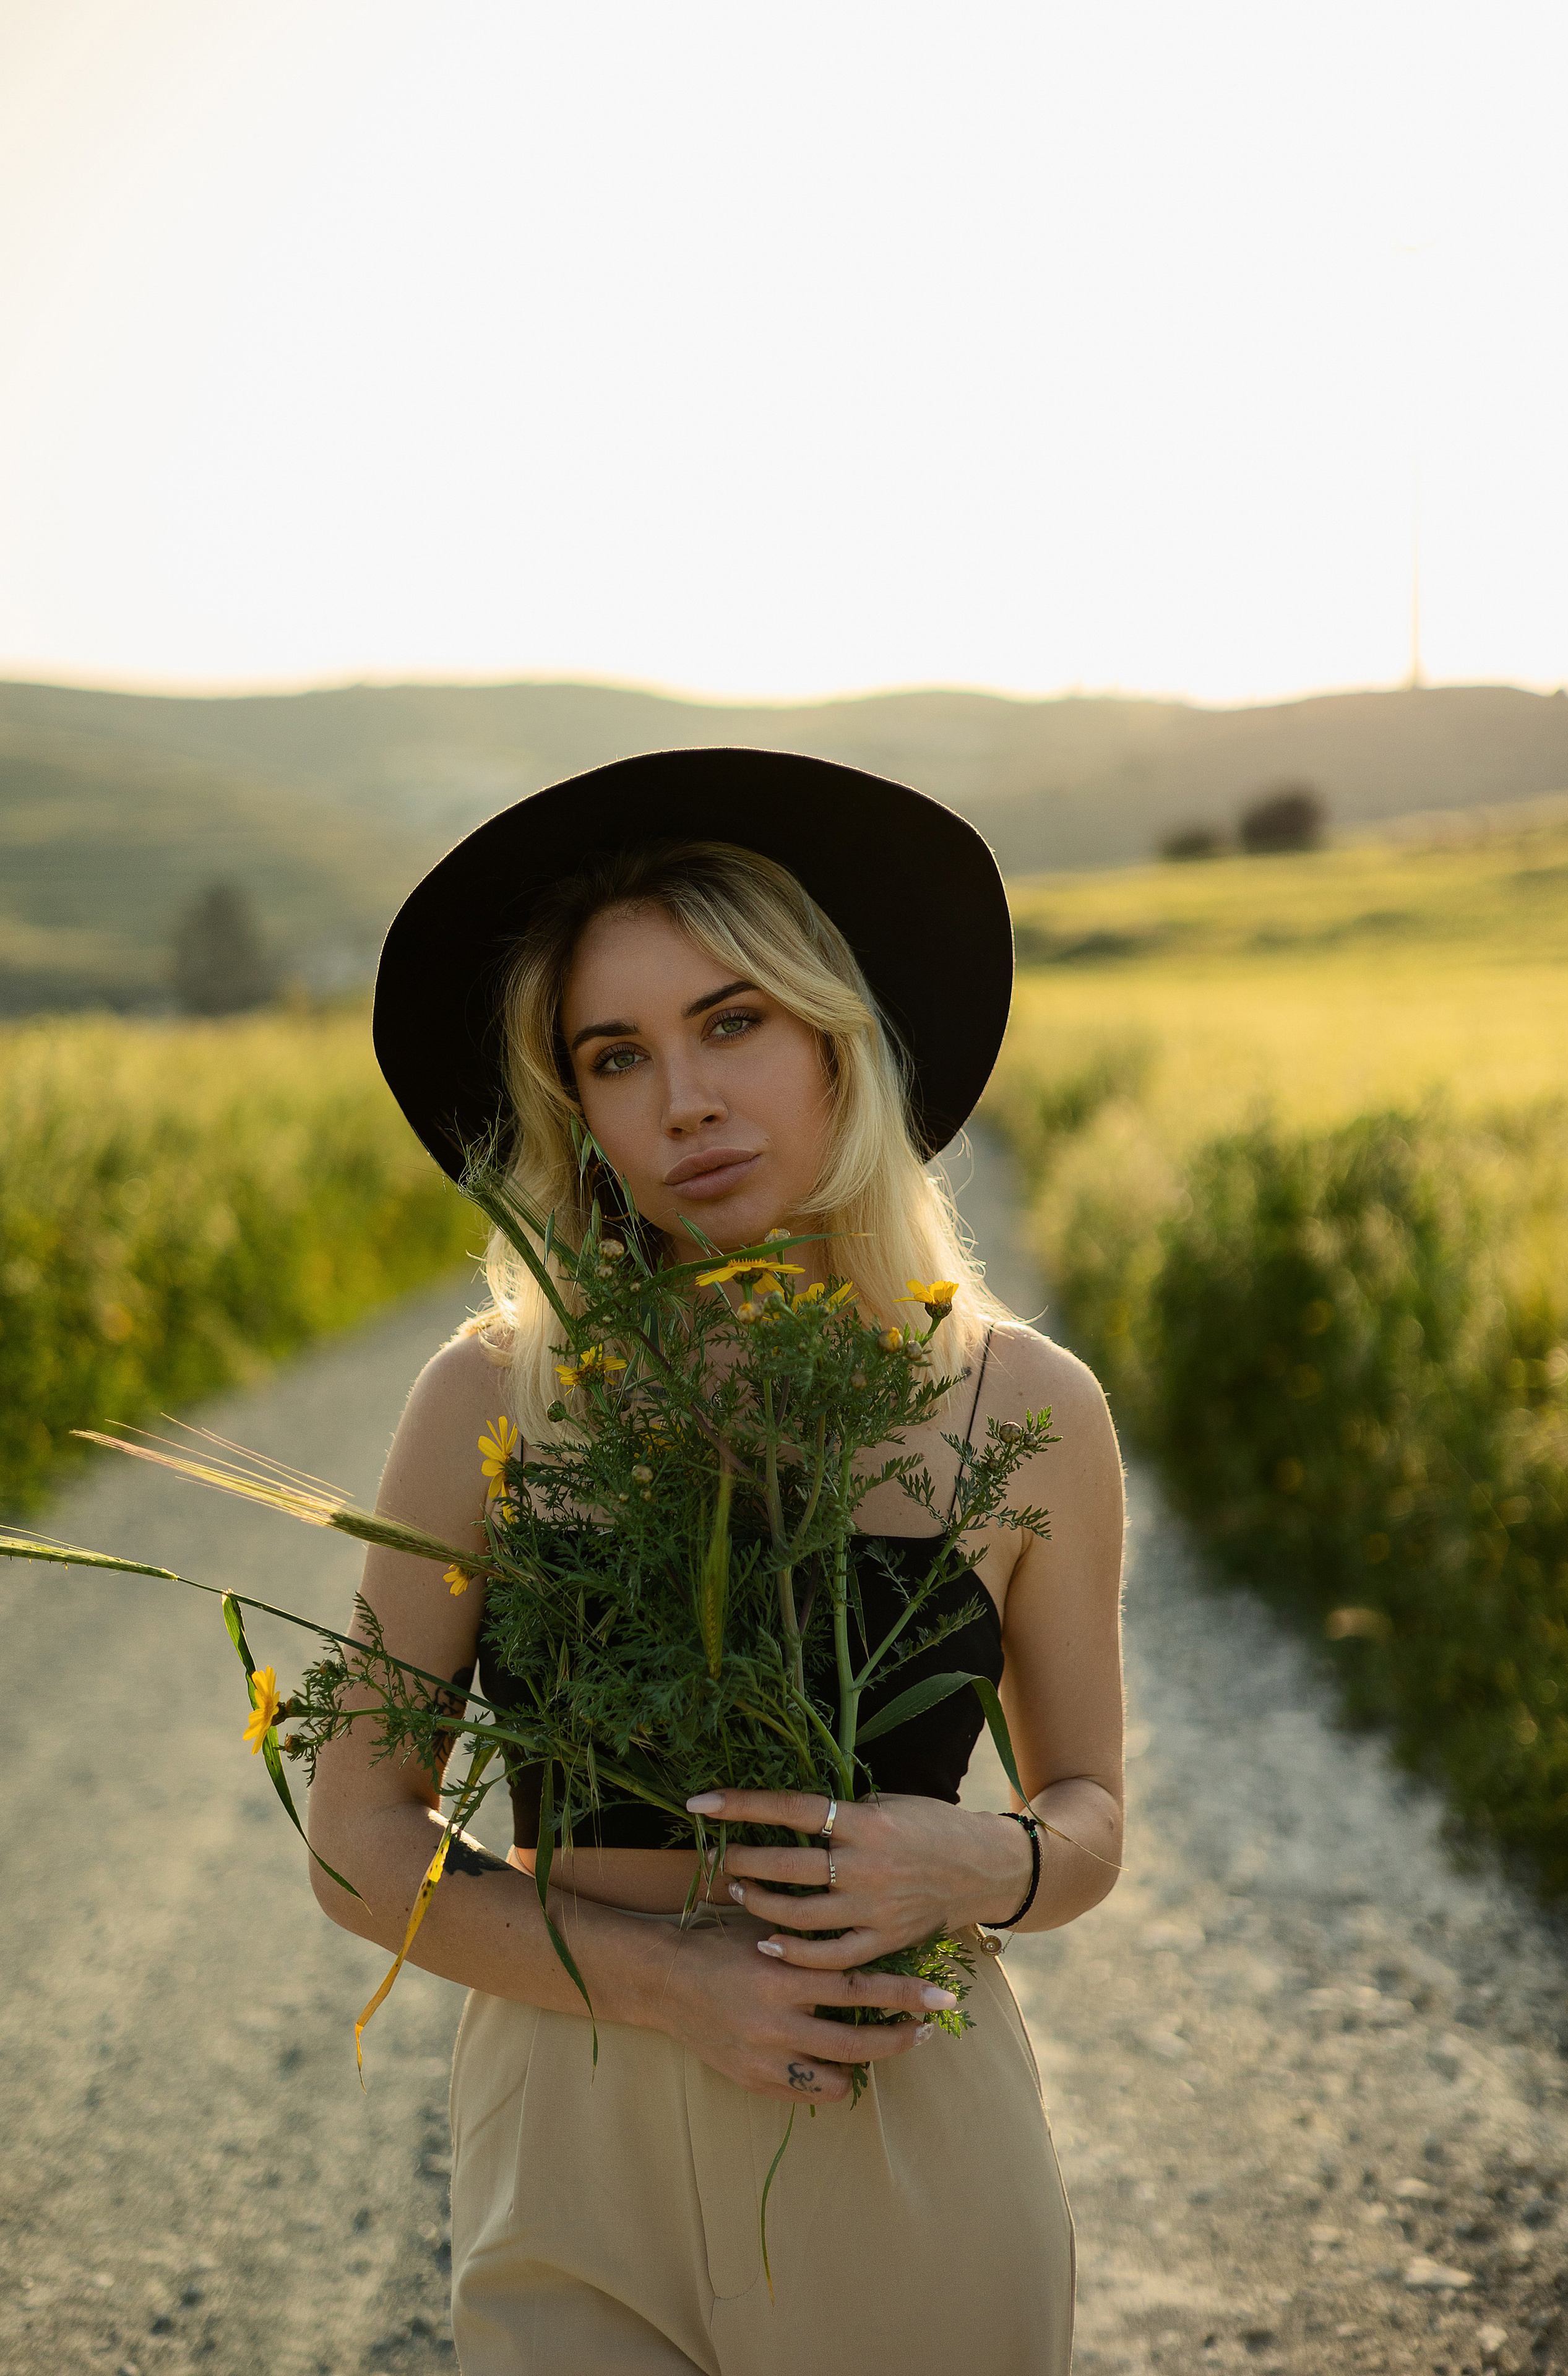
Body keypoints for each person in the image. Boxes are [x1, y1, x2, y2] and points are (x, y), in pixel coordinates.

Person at [309, 749, 1125, 2375]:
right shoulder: (497, 1397)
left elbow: (1088, 1817)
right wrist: (671, 1981)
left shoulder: (1024, 1408)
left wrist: (979, 1867)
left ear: (842, 1035)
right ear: (579, 1115)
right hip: (569, 2136)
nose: (682, 1097)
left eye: (732, 1021)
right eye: (618, 1056)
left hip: (902, 2125)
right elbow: (351, 1838)